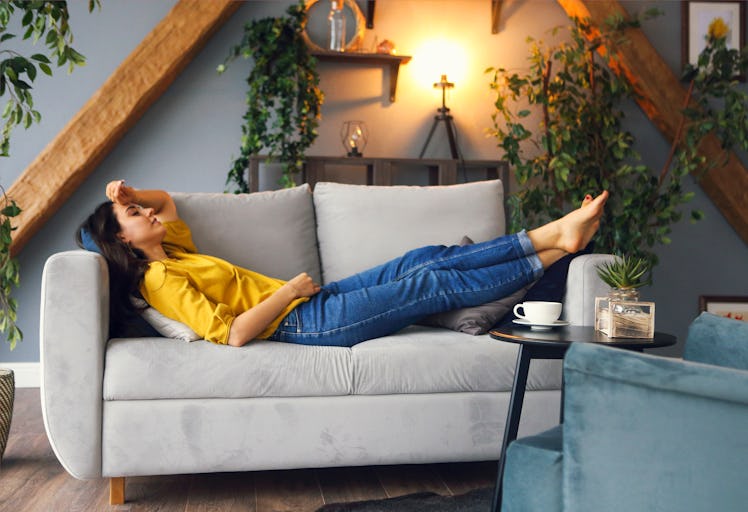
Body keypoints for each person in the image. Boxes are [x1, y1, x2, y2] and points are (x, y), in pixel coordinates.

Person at [78, 180, 608, 347]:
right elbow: (233, 335)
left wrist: (128, 189)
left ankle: (554, 238)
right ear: (121, 239)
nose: (147, 211)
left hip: (315, 301)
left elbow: (166, 201)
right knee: (427, 284)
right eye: (132, 211)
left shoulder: (174, 251)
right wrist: (287, 294)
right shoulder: (160, 279)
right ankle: (557, 244)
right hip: (306, 319)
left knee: (422, 258)